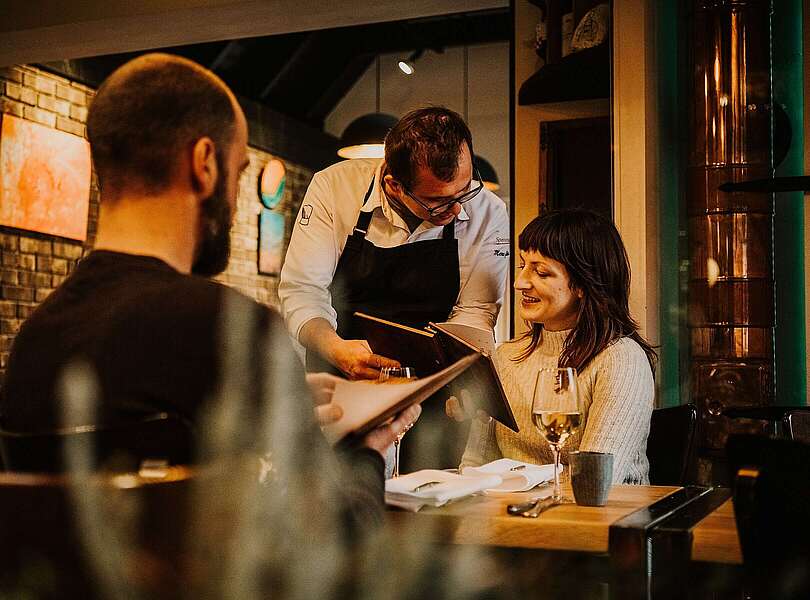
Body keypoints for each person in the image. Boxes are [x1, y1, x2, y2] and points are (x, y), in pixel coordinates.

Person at [0, 53, 419, 521]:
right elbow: (334, 537)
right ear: (204, 163)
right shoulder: (230, 330)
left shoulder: (33, 343)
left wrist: (282, 392)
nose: (237, 199)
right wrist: (370, 450)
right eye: (239, 172)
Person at [278, 107, 509, 380]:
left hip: (432, 381)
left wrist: (448, 377)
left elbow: (476, 310)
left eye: (465, 189)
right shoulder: (334, 187)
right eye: (437, 201)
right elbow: (304, 290)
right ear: (395, 185)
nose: (457, 209)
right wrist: (335, 349)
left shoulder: (489, 212)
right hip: (341, 374)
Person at [454, 208, 656, 484]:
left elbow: (593, 483)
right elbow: (476, 466)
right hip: (513, 516)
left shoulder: (621, 360)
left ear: (583, 284)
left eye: (541, 272)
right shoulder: (505, 357)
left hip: (601, 521)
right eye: (522, 265)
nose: (520, 282)